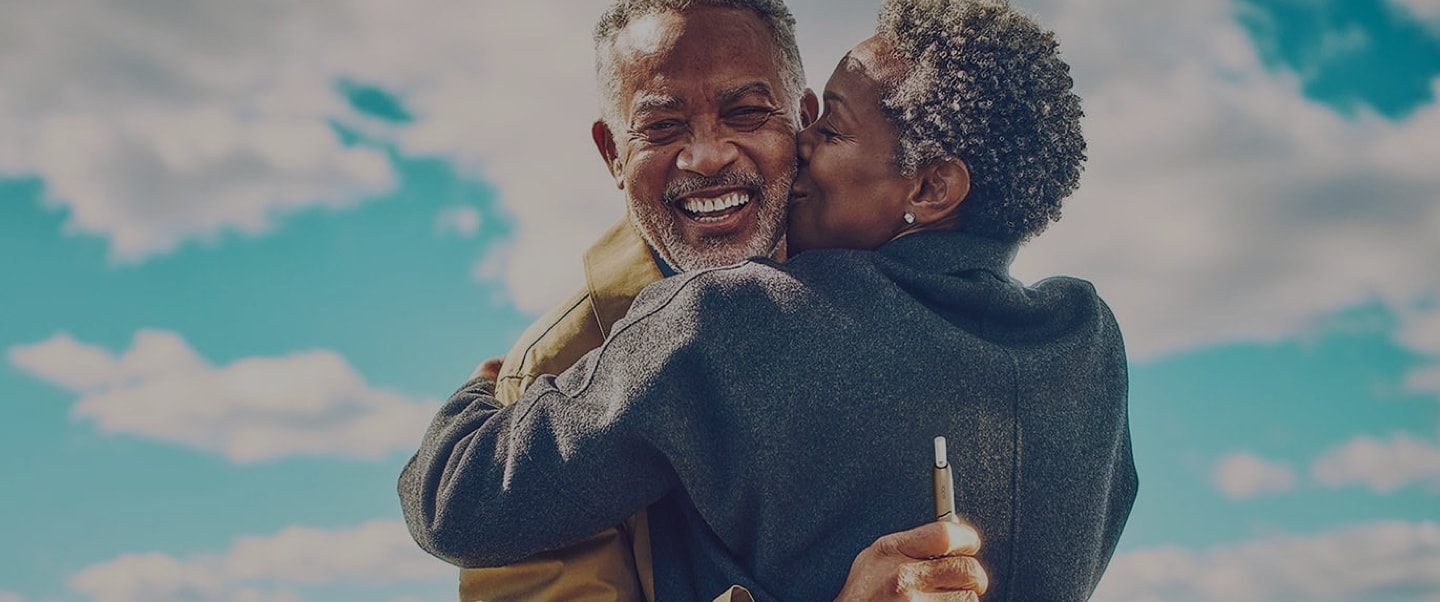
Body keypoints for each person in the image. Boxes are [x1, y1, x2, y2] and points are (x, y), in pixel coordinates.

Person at [400, 0, 1137, 599]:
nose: (713, 154)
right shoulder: (1087, 342)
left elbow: (451, 504)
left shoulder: (730, 321)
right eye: (662, 126)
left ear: (932, 187)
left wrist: (478, 395)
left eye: (825, 127)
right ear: (612, 152)